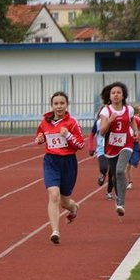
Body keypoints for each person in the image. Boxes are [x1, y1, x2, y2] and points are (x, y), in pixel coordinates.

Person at [34, 91, 84, 244]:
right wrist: (39, 140)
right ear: (52, 105)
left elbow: (80, 144)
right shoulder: (44, 122)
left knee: (64, 201)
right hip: (51, 162)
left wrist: (68, 135)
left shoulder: (72, 123)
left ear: (67, 105)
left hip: (68, 163)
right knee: (53, 194)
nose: (59, 106)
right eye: (56, 103)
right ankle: (55, 231)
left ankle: (73, 208)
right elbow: (38, 138)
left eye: (62, 103)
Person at [99, 82, 138, 216]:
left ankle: (120, 202)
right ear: (109, 96)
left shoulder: (129, 109)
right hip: (111, 147)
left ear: (123, 95)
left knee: (120, 170)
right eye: (113, 93)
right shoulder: (106, 111)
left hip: (126, 144)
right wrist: (110, 120)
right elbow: (102, 132)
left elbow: (132, 120)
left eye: (118, 92)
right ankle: (118, 197)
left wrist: (135, 130)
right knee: (115, 176)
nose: (116, 95)